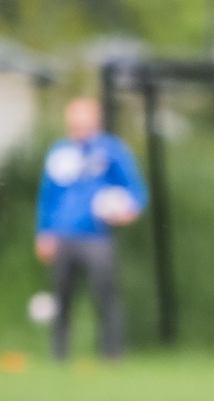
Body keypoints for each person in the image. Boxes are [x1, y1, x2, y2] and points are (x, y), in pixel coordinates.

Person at [34, 97, 147, 362]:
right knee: (62, 298)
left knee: (105, 296)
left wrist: (128, 209)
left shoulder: (111, 150)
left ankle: (111, 355)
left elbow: (135, 189)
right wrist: (43, 231)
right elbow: (47, 195)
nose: (78, 121)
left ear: (95, 117)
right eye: (74, 115)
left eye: (84, 114)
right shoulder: (59, 151)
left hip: (97, 236)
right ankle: (59, 356)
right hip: (62, 235)